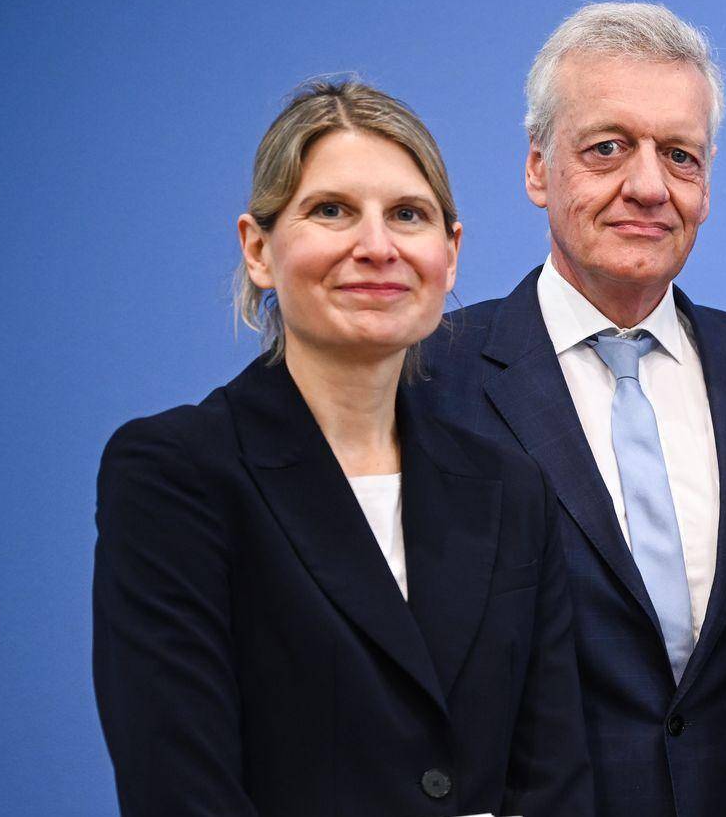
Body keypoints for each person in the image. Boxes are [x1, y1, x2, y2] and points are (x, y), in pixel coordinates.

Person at [93, 79, 591, 816]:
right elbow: (182, 792)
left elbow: (555, 787)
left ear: (449, 256)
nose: (376, 246)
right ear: (258, 248)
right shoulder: (177, 475)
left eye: (408, 215)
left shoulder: (511, 490)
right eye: (331, 211)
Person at [418, 3, 726, 817]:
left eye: (679, 156)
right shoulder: (428, 377)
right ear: (538, 169)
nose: (649, 186)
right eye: (608, 148)